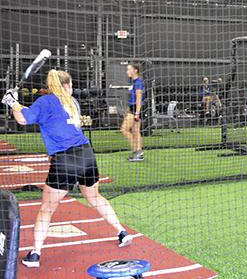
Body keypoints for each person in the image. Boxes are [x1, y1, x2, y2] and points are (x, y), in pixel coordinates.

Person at [1, 70, 132, 268]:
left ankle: (35, 254)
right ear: (66, 86)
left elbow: (23, 119)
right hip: (87, 156)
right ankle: (121, 232)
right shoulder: (72, 103)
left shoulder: (46, 102)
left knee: (46, 209)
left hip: (65, 161)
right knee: (95, 197)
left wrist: (12, 102)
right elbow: (49, 119)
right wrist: (16, 104)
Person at [120, 63, 144, 162]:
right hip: (133, 108)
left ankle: (136, 151)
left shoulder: (138, 82)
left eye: (129, 69)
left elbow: (139, 98)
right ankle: (138, 153)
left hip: (136, 108)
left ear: (135, 70)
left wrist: (137, 113)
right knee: (135, 131)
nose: (127, 72)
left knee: (124, 129)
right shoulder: (134, 82)